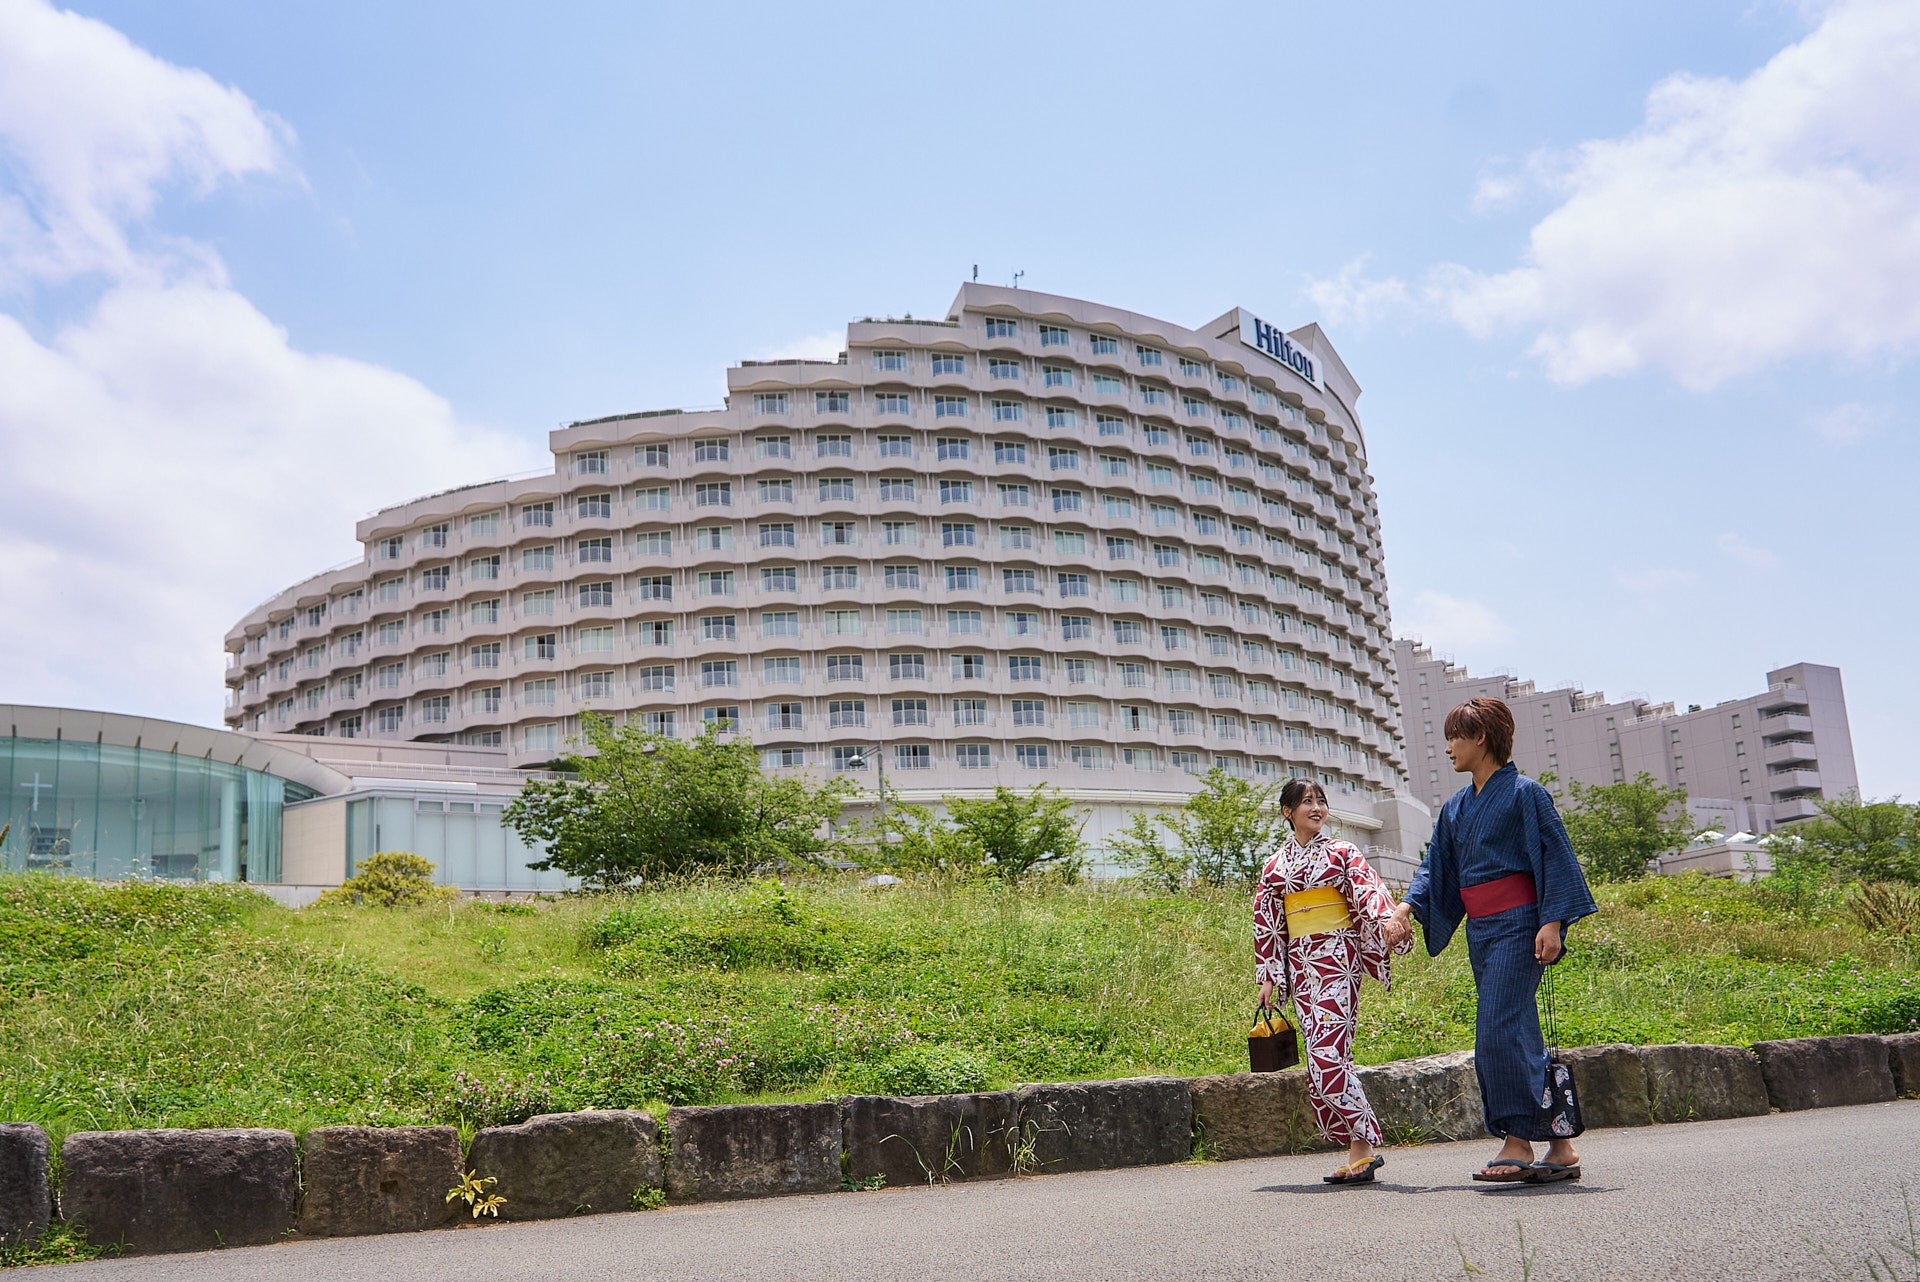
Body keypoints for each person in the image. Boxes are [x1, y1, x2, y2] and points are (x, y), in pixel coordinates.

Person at [1387, 696, 1597, 1185]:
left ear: (1480, 737)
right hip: (1482, 931)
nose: (1447, 748)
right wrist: (1404, 908)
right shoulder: (1457, 806)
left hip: (1522, 924)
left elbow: (1556, 857)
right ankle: (1561, 1145)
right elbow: (1435, 866)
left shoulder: (1527, 794)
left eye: (1454, 737)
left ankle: (1517, 1139)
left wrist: (1553, 922)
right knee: (1520, 1031)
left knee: (1496, 1030)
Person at [1255, 778, 1413, 1184]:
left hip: (1338, 962)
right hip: (1301, 968)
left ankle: (1365, 1138)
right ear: (1288, 812)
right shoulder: (1275, 866)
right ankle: (1358, 1151)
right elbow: (1269, 924)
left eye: (1321, 801)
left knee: (1328, 1060)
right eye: (1306, 801)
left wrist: (1389, 923)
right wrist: (1269, 976)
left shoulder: (1344, 853)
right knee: (1319, 1063)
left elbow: (1368, 893)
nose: (1316, 807)